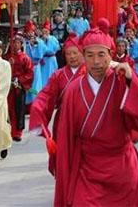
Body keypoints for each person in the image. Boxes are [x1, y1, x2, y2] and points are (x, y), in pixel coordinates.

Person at [54, 28, 138, 206]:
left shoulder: (121, 82)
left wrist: (130, 79)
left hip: (122, 169)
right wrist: (65, 177)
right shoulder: (74, 91)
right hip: (87, 169)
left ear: (110, 55)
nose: (96, 62)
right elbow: (66, 139)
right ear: (83, 57)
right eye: (89, 55)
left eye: (101, 54)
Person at [29, 33, 85, 175]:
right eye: (68, 54)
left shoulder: (89, 72)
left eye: (75, 53)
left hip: (85, 119)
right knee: (64, 155)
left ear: (81, 53)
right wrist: (37, 106)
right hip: (63, 121)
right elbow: (46, 95)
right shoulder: (58, 75)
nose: (72, 57)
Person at [5, 33, 34, 141]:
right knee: (8, 109)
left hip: (18, 87)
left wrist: (20, 80)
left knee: (19, 109)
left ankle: (17, 132)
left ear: (21, 44)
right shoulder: (6, 57)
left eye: (17, 42)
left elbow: (30, 73)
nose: (15, 45)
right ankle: (7, 131)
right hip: (8, 87)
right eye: (13, 42)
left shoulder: (25, 58)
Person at [23, 20, 46, 111]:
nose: (30, 33)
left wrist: (36, 45)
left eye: (32, 31)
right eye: (28, 32)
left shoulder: (39, 42)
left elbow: (40, 54)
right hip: (27, 68)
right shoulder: (24, 42)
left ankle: (35, 104)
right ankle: (27, 104)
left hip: (36, 67)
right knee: (28, 86)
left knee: (36, 86)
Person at [41, 19, 60, 87]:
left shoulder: (53, 39)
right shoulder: (40, 39)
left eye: (46, 31)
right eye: (43, 31)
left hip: (51, 60)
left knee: (52, 76)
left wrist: (47, 40)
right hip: (43, 60)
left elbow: (54, 49)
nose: (45, 32)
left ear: (49, 31)